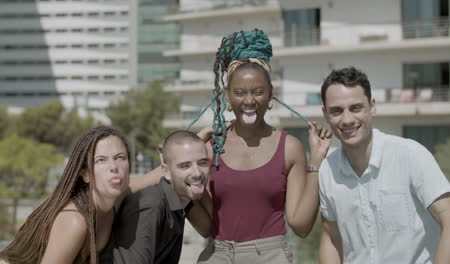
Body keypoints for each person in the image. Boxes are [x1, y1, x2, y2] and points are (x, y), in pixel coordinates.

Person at [190, 29, 332, 264]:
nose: (249, 101)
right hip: (218, 255)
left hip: (271, 256)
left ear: (271, 96)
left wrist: (316, 159)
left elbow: (301, 225)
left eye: (258, 92)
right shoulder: (209, 148)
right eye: (239, 93)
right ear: (227, 95)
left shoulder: (289, 148)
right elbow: (206, 226)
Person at [318, 67, 450, 263]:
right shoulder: (327, 170)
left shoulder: (411, 155)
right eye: (336, 111)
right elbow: (330, 236)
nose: (347, 120)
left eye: (356, 108)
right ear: (325, 114)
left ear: (372, 107)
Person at [0, 126, 131, 264]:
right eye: (101, 160)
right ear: (85, 174)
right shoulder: (75, 221)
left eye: (120, 157)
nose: (114, 167)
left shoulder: (114, 197)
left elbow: (146, 180)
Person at [99, 130, 211, 264]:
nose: (197, 173)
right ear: (166, 171)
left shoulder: (179, 202)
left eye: (203, 163)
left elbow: (208, 230)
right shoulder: (151, 205)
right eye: (185, 166)